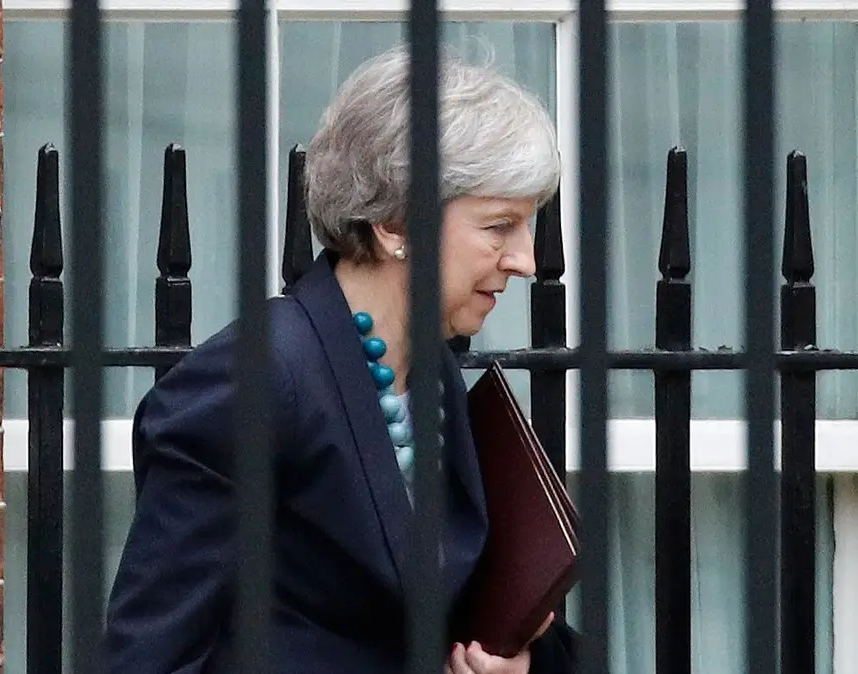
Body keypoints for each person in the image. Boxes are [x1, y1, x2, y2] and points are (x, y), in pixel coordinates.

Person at [102, 44, 577, 674]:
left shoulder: (430, 371)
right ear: (395, 224)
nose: (527, 260)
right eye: (499, 226)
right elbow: (149, 658)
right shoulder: (257, 378)